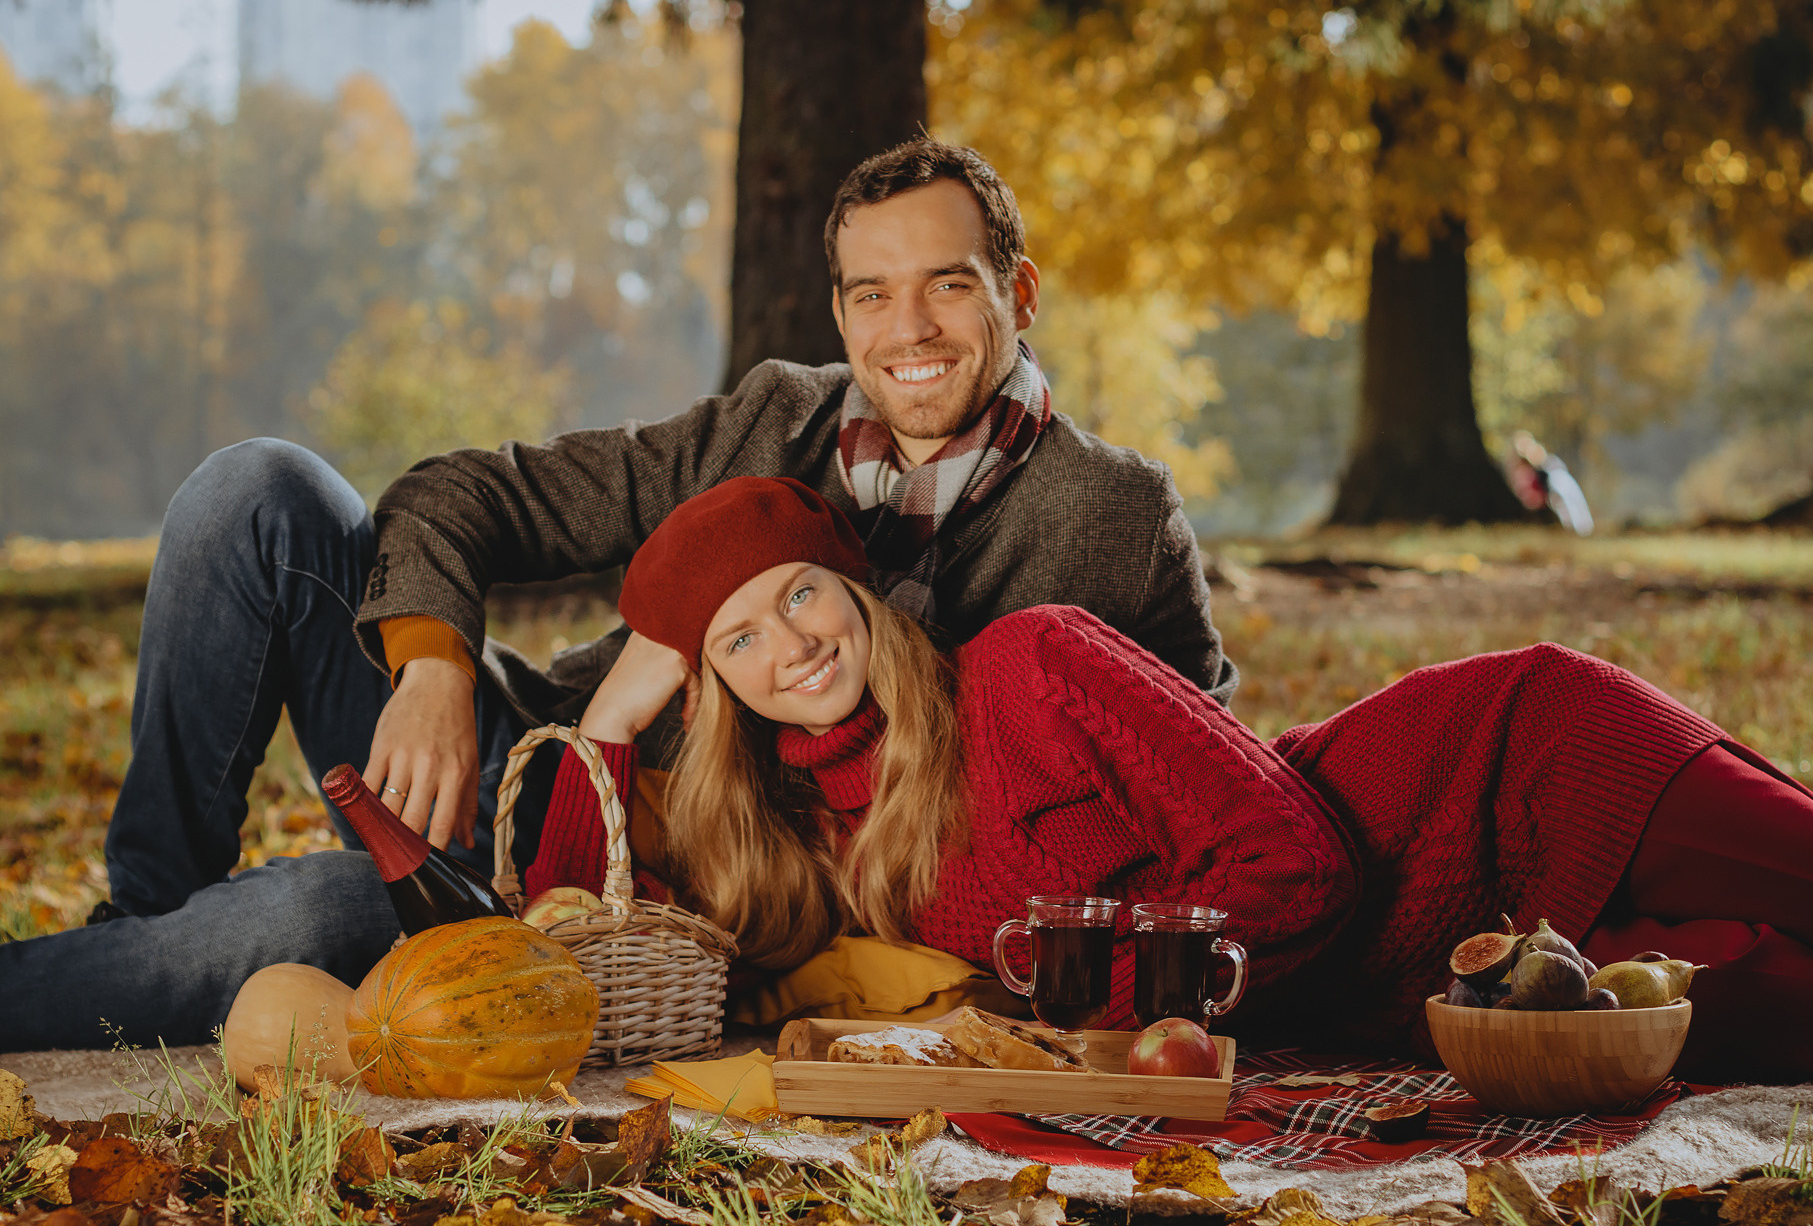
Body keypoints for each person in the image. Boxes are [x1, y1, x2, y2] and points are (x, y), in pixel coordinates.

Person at [0, 139, 1230, 1052]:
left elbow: (1208, 774)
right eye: (870, 291)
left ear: (1017, 295)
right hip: (531, 766)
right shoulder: (771, 419)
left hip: (658, 893)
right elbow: (465, 494)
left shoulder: (1114, 518)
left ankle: (107, 971)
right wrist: (431, 666)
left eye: (949, 284)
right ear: (841, 308)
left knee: (311, 915)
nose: (906, 325)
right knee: (256, 493)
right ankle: (140, 913)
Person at [528, 476, 1813, 1085]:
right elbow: (569, 928)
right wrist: (609, 717)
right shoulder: (804, 840)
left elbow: (1303, 865)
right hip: (1439, 993)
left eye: (801, 597)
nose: (793, 646)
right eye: (738, 641)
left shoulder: (1030, 665)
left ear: (856, 588)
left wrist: (1102, 1017)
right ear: (711, 682)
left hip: (1518, 771)